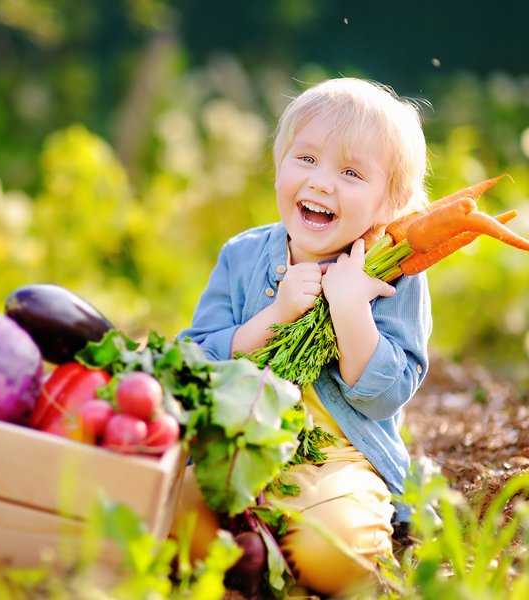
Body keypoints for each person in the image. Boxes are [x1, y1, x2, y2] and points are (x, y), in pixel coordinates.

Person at [174, 77, 432, 596]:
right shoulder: (243, 255)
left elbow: (383, 397)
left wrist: (350, 308)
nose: (321, 183)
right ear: (279, 165)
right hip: (239, 447)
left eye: (352, 172)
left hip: (335, 458)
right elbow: (196, 365)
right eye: (306, 159)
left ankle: (277, 553)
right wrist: (277, 313)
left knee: (334, 552)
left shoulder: (399, 273)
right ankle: (258, 553)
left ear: (392, 201)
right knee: (174, 517)